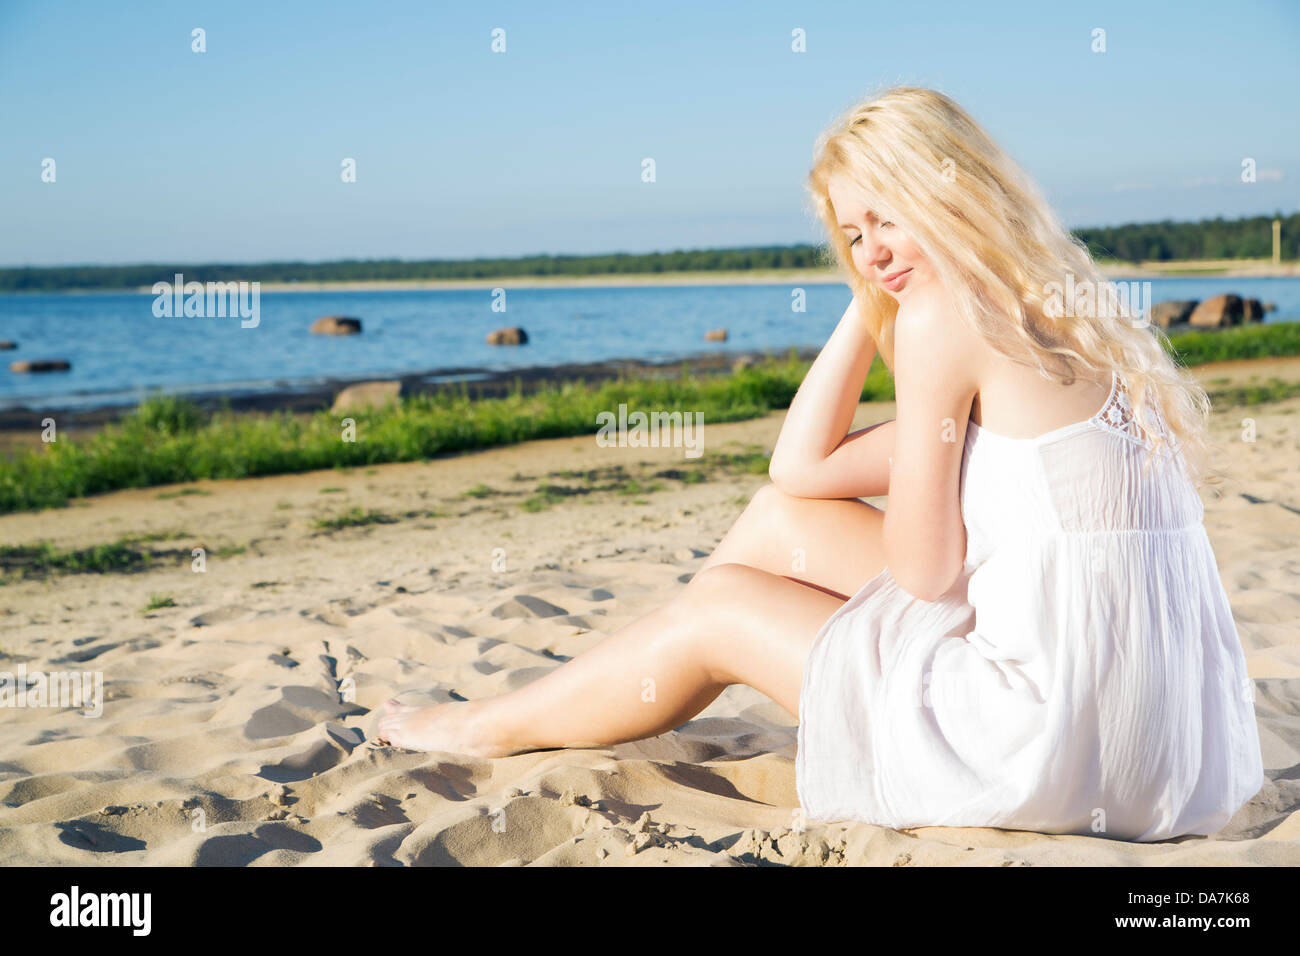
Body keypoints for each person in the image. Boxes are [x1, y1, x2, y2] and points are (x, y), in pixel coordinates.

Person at [375, 86, 1265, 842]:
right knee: (775, 525)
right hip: (1173, 759)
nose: (870, 250)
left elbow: (925, 572)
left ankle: (495, 726)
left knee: (718, 608)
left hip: (1050, 752)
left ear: (947, 197)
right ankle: (662, 686)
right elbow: (798, 469)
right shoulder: (1076, 314)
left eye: (887, 218)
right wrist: (869, 294)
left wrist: (900, 315)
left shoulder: (948, 318)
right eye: (851, 234)